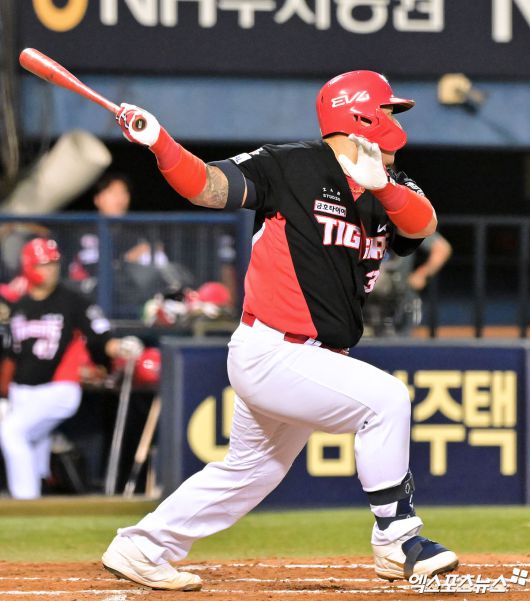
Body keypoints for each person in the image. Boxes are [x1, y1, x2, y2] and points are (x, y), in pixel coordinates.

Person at [101, 70, 458, 590]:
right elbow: (207, 186)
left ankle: (143, 545)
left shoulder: (391, 184)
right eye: (387, 109)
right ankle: (397, 539)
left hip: (314, 357)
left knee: (253, 470)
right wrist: (161, 143)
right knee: (385, 401)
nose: (394, 120)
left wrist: (382, 186)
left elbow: (422, 224)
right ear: (361, 116)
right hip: (273, 349)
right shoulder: (290, 165)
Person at [0, 238, 144, 500]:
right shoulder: (20, 306)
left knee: (11, 432)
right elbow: (12, 355)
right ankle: (37, 503)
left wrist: (119, 346)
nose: (51, 270)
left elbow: (100, 336)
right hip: (22, 391)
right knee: (32, 446)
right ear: (29, 266)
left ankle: (25, 503)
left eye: (54, 264)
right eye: (44, 264)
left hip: (58, 389)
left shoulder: (73, 301)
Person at [363, 169, 452, 336]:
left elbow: (441, 248)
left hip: (396, 298)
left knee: (396, 343)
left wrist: (422, 274)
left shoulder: (402, 215)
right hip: (362, 297)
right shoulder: (356, 213)